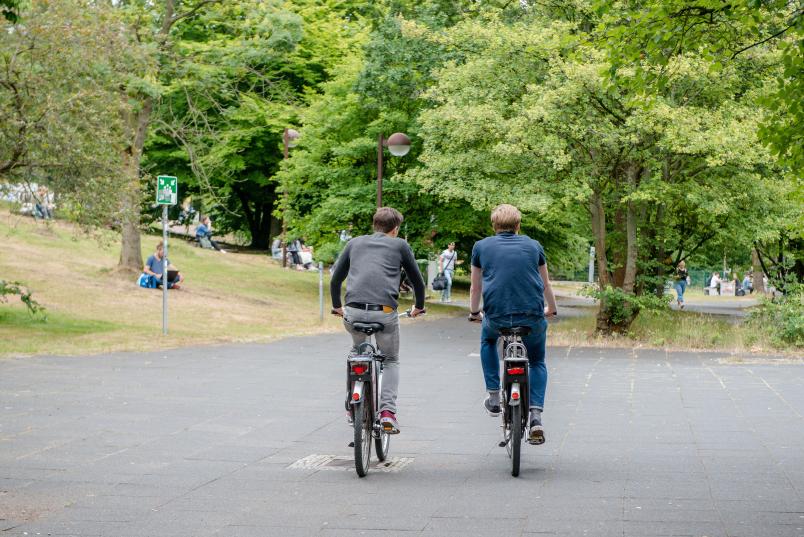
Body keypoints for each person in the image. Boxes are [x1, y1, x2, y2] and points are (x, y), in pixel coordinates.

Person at [330, 207, 426, 434]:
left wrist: (337, 307)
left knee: (357, 352)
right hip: (383, 313)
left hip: (352, 311)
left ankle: (351, 402)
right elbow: (418, 282)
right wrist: (418, 307)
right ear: (396, 229)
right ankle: (387, 413)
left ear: (374, 224)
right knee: (391, 359)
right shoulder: (400, 245)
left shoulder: (354, 243)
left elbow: (336, 279)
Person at [468, 204, 557, 445]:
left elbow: (476, 286)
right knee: (537, 360)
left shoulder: (481, 247)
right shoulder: (534, 246)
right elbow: (545, 284)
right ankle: (536, 416)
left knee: (487, 341)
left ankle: (495, 396)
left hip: (496, 317)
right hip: (532, 316)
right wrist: (552, 308)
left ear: (493, 225)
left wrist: (475, 312)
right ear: (518, 225)